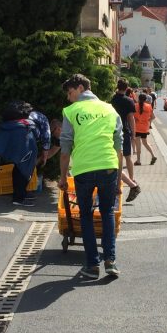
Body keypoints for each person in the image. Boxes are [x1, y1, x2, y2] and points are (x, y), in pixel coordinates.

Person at [60, 73, 123, 279]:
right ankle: (110, 261)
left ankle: (92, 265)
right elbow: (119, 146)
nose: (69, 98)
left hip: (84, 169)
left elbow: (66, 147)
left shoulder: (71, 111)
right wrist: (119, 177)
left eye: (70, 93)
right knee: (107, 213)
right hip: (108, 167)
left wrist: (62, 177)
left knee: (85, 215)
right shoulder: (109, 109)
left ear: (79, 88)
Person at [0, 100, 50, 207]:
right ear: (56, 127)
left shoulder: (16, 117)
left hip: (11, 137)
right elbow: (46, 136)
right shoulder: (42, 118)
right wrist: (45, 152)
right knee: (25, 168)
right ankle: (18, 198)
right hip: (24, 140)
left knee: (18, 166)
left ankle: (20, 193)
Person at [109, 79, 142, 202]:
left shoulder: (111, 99)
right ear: (127, 87)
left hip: (112, 131)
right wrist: (134, 133)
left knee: (116, 158)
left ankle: (127, 181)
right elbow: (131, 118)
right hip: (125, 132)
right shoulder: (129, 101)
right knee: (127, 157)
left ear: (117, 86)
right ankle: (132, 179)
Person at [132, 93, 157, 166]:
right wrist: (147, 120)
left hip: (137, 127)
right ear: (145, 99)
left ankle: (138, 160)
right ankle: (153, 155)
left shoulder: (135, 106)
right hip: (145, 127)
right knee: (145, 143)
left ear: (138, 99)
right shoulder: (149, 106)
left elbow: (133, 117)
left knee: (138, 144)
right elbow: (153, 117)